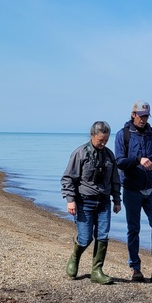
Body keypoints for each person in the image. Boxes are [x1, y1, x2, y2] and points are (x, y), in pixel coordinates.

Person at [113, 100, 152, 283]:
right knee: (134, 230)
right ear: (133, 115)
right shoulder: (122, 135)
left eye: (146, 116)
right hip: (132, 189)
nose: (143, 119)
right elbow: (119, 161)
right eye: (141, 116)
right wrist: (139, 160)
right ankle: (135, 269)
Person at [61, 121, 122, 283]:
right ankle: (75, 256)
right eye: (100, 140)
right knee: (85, 238)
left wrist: (117, 200)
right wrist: (70, 200)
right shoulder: (79, 154)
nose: (103, 144)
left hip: (103, 203)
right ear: (92, 136)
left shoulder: (109, 156)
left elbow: (116, 180)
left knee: (102, 236)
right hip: (84, 203)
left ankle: (97, 271)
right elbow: (68, 179)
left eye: (106, 141)